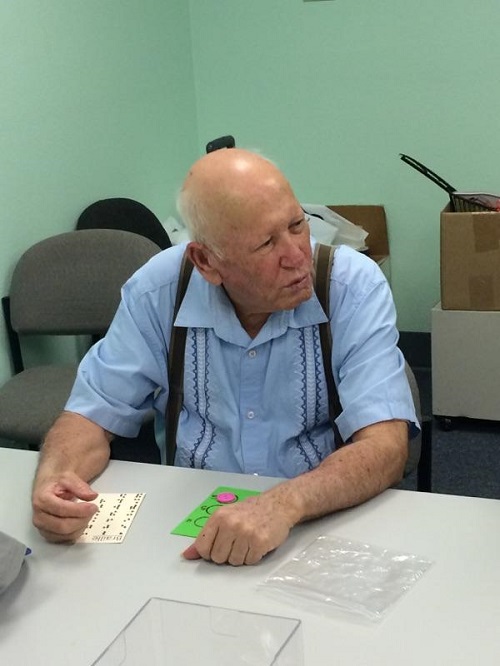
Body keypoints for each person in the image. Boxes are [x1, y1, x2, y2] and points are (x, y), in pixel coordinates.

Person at [31, 148, 418, 566]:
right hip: (188, 521)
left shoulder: (351, 286)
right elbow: (91, 414)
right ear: (206, 261)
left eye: (296, 225)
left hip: (318, 515)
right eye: (267, 243)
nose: (297, 257)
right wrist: (56, 480)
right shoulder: (157, 292)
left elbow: (385, 445)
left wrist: (283, 504)